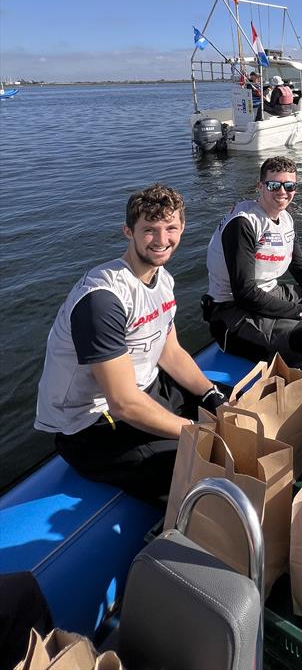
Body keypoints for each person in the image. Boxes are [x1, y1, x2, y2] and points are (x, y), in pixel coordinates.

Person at [35, 184, 227, 503]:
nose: (162, 240)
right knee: (199, 465)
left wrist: (211, 395)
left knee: (236, 407)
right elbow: (122, 402)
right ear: (128, 231)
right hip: (93, 424)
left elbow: (170, 351)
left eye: (170, 228)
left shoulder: (162, 279)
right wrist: (197, 431)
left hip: (148, 389)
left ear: (183, 228)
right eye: (149, 230)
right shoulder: (102, 301)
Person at [203, 155, 302, 371]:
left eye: (289, 185)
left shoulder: (285, 218)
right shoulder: (243, 223)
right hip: (233, 313)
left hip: (269, 293)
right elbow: (245, 293)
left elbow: (300, 269)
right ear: (260, 186)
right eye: (274, 185)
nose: (282, 192)